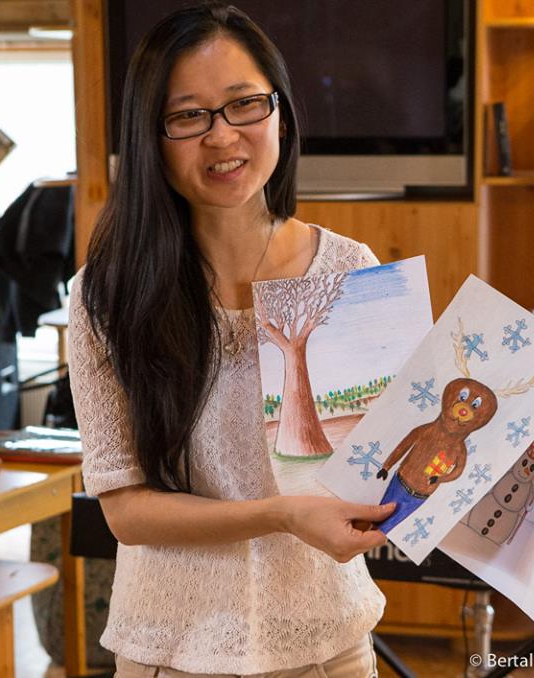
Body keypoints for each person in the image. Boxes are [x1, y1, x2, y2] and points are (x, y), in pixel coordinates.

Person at [68, 3, 396, 676]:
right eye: (189, 115)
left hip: (329, 646)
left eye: (245, 104)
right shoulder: (107, 294)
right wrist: (281, 514)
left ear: (281, 114)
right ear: (151, 136)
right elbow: (127, 511)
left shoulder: (349, 272)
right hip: (169, 652)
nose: (223, 136)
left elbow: (388, 453)